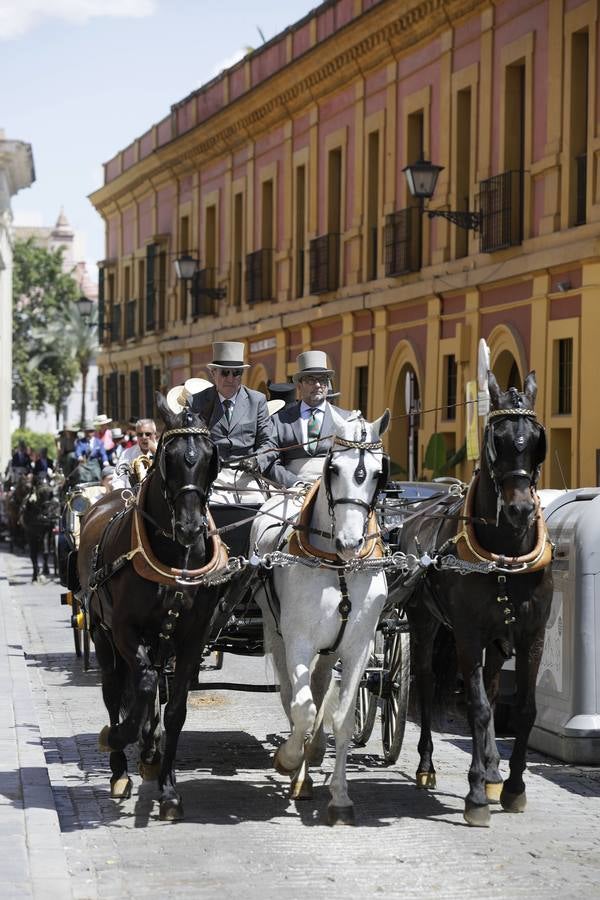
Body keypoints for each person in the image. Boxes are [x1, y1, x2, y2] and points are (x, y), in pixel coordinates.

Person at [265, 350, 352, 488]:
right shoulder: (279, 420)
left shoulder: (347, 419)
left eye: (322, 380)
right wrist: (295, 483)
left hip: (335, 493)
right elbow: (270, 462)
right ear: (299, 386)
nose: (318, 385)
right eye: (311, 380)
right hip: (292, 492)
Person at [189, 342, 275, 474]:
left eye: (236, 373)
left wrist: (256, 460)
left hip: (247, 474)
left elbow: (268, 441)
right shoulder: (196, 402)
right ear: (213, 373)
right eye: (224, 373)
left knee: (258, 496)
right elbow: (188, 442)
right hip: (209, 474)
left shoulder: (257, 401)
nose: (230, 378)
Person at [111, 419, 158, 489]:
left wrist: (155, 452)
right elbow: (119, 479)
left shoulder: (164, 451)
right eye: (140, 434)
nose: (144, 437)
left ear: (155, 435)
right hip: (131, 496)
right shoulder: (126, 454)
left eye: (148, 434)